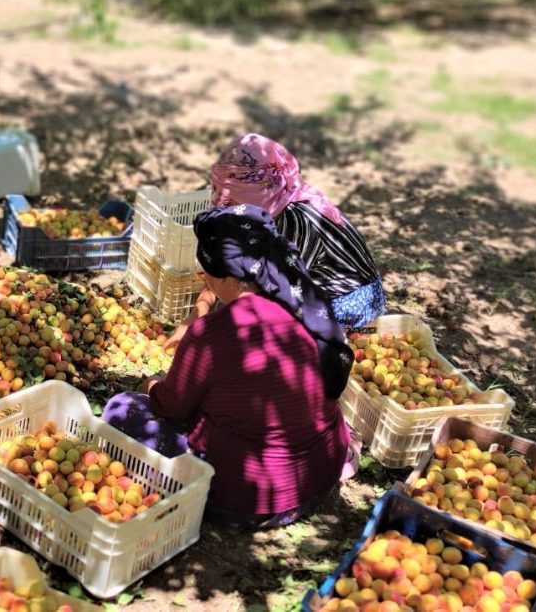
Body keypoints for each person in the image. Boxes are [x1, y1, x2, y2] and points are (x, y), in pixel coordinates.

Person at [102, 204, 356, 528]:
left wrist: (152, 384)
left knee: (122, 408)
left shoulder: (211, 334)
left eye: (204, 271)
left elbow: (172, 407)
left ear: (221, 276)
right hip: (319, 476)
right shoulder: (301, 304)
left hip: (250, 499)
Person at [167, 132, 385, 346]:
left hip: (348, 304)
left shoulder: (296, 221)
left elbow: (281, 290)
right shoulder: (268, 204)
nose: (226, 205)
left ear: (257, 193)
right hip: (307, 284)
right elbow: (226, 260)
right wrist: (199, 312)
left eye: (233, 200)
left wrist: (215, 330)